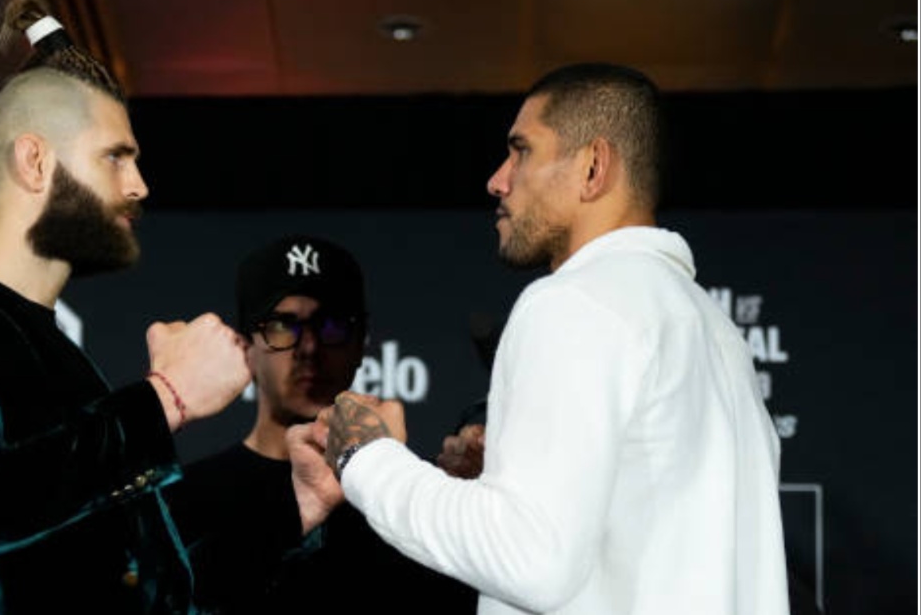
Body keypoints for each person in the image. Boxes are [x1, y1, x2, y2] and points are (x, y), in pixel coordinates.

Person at [295, 62, 792, 614]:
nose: (498, 179)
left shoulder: (576, 300)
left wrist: (367, 458)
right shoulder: (718, 333)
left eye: (521, 151)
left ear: (593, 167)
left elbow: (531, 558)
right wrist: (506, 475)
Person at [0, 0, 249, 614]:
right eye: (116, 156)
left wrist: (286, 508)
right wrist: (168, 395)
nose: (139, 185)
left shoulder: (62, 356)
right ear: (35, 161)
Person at [167, 234, 476, 614]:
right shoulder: (185, 500)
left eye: (331, 325)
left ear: (362, 341)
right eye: (283, 326)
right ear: (246, 345)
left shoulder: (408, 497)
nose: (309, 348)